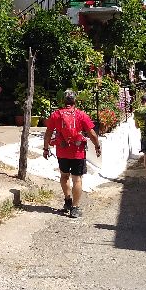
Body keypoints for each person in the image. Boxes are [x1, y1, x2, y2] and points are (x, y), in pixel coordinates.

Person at [43, 89, 102, 219]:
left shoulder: (56, 115)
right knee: (77, 179)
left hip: (62, 151)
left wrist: (45, 148)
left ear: (64, 101)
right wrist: (97, 146)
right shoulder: (81, 115)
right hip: (77, 152)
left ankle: (67, 200)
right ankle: (75, 208)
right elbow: (92, 133)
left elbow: (48, 133)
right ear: (75, 100)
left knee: (64, 176)